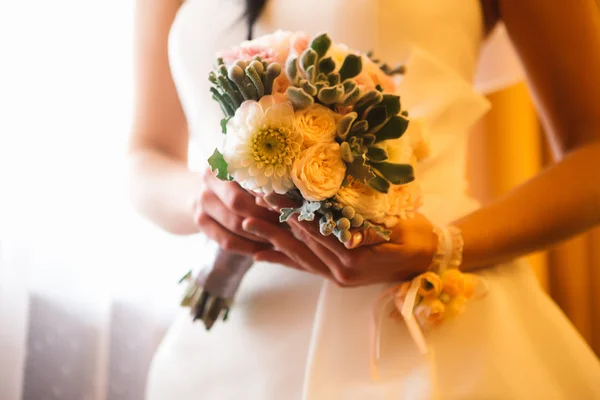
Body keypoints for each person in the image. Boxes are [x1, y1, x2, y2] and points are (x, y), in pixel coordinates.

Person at [129, 0, 600, 398]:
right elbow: (144, 156)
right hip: (237, 334)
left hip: (423, 310)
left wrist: (444, 245)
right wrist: (202, 199)